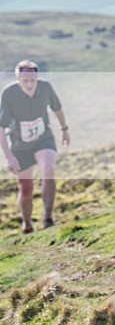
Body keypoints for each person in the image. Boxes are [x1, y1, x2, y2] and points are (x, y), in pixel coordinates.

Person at [0, 60, 70, 233]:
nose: (30, 85)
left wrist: (64, 129)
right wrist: (8, 156)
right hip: (19, 145)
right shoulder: (8, 94)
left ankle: (48, 216)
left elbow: (57, 108)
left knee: (48, 168)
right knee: (26, 187)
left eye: (33, 80)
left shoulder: (45, 88)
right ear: (18, 79)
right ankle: (27, 223)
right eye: (25, 81)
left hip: (43, 138)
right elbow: (1, 126)